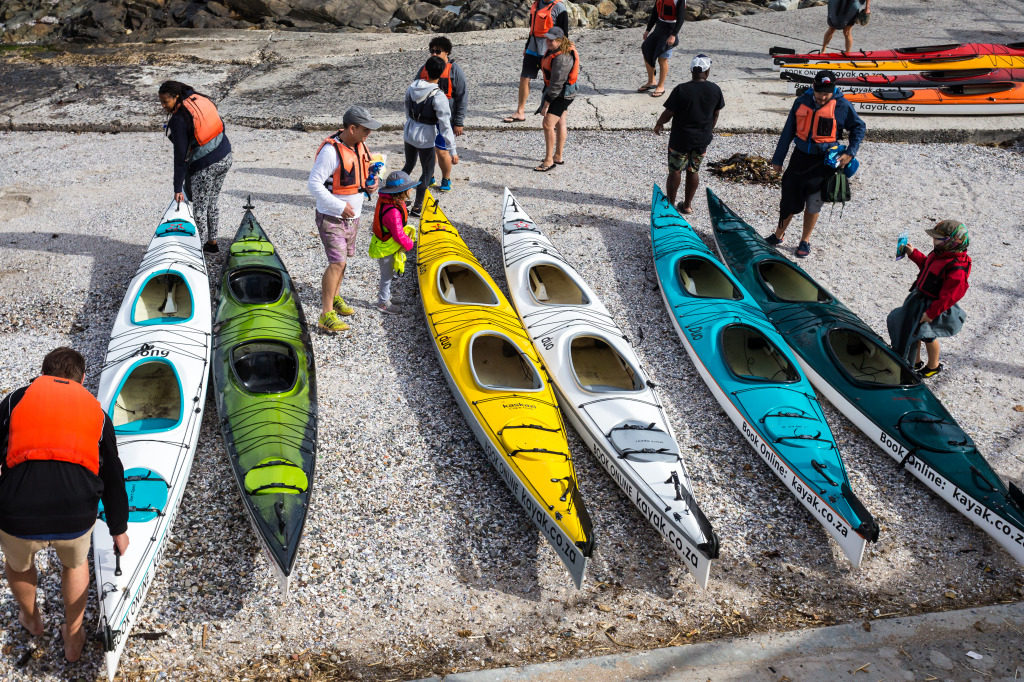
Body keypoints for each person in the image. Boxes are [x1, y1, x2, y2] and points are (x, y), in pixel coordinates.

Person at [0, 347, 129, 662]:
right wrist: (118, 528)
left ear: (41, 375)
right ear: (82, 380)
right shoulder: (97, 414)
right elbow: (113, 474)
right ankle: (73, 635)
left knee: (19, 565)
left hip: (17, 509)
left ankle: (31, 619)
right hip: (74, 508)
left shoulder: (16, 400)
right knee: (74, 564)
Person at [769, 69, 865, 258]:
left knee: (814, 202)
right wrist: (778, 159)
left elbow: (859, 127)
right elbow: (788, 131)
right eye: (819, 91)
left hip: (823, 163)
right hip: (800, 159)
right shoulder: (801, 102)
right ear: (813, 87)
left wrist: (850, 153)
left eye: (826, 93)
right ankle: (778, 235)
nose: (822, 96)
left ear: (833, 89)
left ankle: (805, 241)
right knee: (788, 198)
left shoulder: (843, 105)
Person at [308, 106, 382, 333]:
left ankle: (336, 296)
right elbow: (314, 184)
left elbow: (367, 171)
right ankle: (325, 314)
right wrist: (339, 206)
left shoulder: (359, 144)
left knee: (344, 261)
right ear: (352, 128)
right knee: (337, 262)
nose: (369, 133)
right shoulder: (331, 152)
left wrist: (374, 182)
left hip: (353, 217)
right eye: (365, 129)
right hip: (332, 217)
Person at [886, 220, 971, 378]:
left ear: (952, 241)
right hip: (919, 299)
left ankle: (933, 365)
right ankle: (915, 362)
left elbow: (952, 294)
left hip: (932, 305)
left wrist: (932, 313)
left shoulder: (956, 267)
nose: (934, 241)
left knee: (927, 336)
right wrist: (914, 254)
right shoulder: (939, 253)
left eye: (938, 238)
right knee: (913, 332)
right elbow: (927, 266)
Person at [159, 80, 233, 253]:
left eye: (165, 101)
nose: (163, 106)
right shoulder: (198, 99)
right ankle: (212, 243)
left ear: (176, 97)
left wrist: (177, 188)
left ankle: (196, 250)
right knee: (212, 201)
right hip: (225, 155)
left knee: (199, 207)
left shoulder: (179, 119)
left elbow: (180, 157)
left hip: (206, 165)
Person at [653, 54, 724, 214]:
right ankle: (687, 205)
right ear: (707, 72)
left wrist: (659, 123)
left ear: (692, 71)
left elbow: (669, 112)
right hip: (701, 140)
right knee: (693, 170)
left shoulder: (681, 89)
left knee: (675, 171)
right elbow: (716, 114)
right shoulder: (715, 89)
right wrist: (708, 131)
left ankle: (670, 206)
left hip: (680, 139)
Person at [403, 57, 456, 217]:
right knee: (427, 171)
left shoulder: (412, 87)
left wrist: (410, 124)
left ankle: (400, 198)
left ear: (425, 69)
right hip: (426, 136)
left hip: (409, 131)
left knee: (408, 166)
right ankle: (417, 206)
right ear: (442, 73)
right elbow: (445, 125)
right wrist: (452, 150)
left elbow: (406, 108)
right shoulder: (438, 95)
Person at [503, 0, 570, 123]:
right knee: (524, 77)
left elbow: (564, 34)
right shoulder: (536, 4)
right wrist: (526, 46)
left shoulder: (559, 7)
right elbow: (532, 29)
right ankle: (520, 112)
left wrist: (562, 53)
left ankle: (551, 112)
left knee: (551, 81)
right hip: (532, 49)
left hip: (549, 51)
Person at [416, 37, 468, 193]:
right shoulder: (424, 68)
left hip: (444, 120)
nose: (434, 54)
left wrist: (458, 122)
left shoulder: (455, 70)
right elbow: (415, 89)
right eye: (432, 51)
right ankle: (429, 176)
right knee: (428, 149)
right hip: (426, 120)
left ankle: (446, 178)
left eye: (438, 51)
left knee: (442, 151)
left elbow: (462, 97)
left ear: (447, 52)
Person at [370, 171, 419, 315]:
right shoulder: (392, 211)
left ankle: (386, 297)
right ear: (402, 192)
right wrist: (410, 245)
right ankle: (383, 303)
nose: (411, 190)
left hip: (387, 246)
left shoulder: (393, 203)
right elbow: (398, 234)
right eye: (409, 188)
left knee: (389, 274)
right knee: (386, 276)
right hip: (385, 249)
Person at [535, 28, 580, 172]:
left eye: (551, 40)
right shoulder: (555, 49)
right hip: (563, 91)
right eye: (547, 38)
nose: (548, 42)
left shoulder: (562, 58)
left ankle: (548, 161)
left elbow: (556, 86)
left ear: (560, 40)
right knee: (561, 121)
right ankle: (558, 156)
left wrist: (545, 105)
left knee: (548, 123)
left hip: (562, 94)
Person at [639, 0, 685, 98]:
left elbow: (681, 18)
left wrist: (673, 35)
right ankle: (651, 81)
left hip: (670, 30)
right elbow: (655, 13)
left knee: (662, 59)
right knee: (646, 50)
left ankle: (660, 86)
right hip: (659, 28)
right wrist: (648, 30)